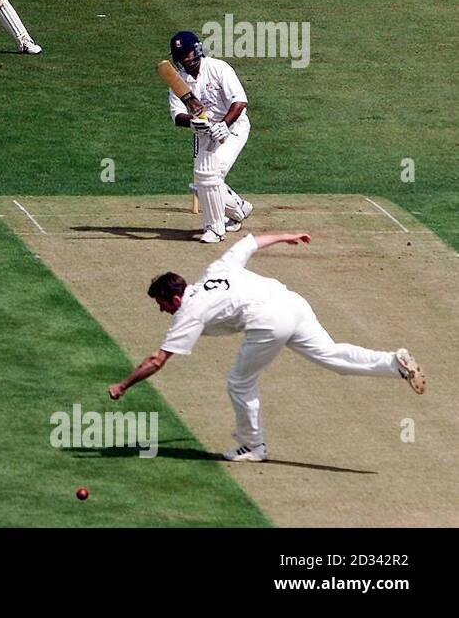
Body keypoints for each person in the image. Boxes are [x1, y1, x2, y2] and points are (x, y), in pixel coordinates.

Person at [107, 232, 426, 462]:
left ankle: (252, 446)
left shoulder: (189, 311)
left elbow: (158, 360)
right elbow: (252, 241)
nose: (162, 311)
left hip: (269, 321)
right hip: (291, 301)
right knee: (331, 355)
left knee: (239, 382)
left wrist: (123, 385)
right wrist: (289, 236)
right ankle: (392, 363)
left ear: (174, 298)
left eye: (162, 304)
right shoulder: (214, 271)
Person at [168, 30, 252, 242]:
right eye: (180, 56)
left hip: (234, 128)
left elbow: (240, 101)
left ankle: (215, 229)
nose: (184, 59)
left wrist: (224, 124)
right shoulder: (179, 81)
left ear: (197, 50)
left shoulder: (218, 68)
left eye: (187, 53)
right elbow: (177, 116)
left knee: (210, 175)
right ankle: (238, 210)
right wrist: (193, 122)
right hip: (205, 133)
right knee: (203, 181)